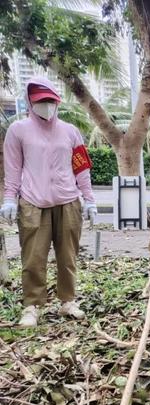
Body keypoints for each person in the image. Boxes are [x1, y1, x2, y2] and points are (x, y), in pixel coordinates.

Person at [1, 77, 97, 327]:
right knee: (33, 257)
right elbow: (12, 168)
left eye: (50, 101)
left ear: (57, 102)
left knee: (68, 256)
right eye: (41, 101)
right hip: (33, 201)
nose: (46, 106)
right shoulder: (18, 130)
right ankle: (32, 305)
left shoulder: (70, 131)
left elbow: (81, 167)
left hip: (68, 201)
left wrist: (89, 199)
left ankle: (68, 301)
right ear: (31, 103)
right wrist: (9, 199)